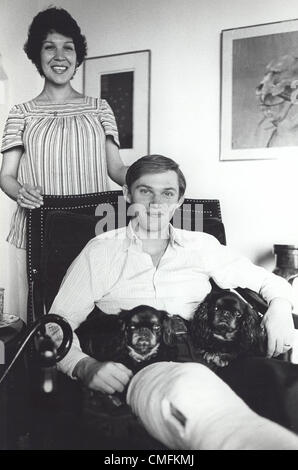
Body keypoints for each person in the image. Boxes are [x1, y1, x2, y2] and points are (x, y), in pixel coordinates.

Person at [48, 154, 298, 448]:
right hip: (143, 366)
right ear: (127, 195)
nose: (156, 204)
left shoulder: (202, 245)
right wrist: (84, 366)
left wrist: (279, 307)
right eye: (145, 191)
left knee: (283, 382)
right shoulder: (100, 252)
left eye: (167, 193)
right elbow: (54, 327)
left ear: (179, 200)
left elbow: (271, 283)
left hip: (213, 359)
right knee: (194, 399)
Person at [0, 7, 126, 320]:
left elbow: (116, 170)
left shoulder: (100, 108)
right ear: (37, 55)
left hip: (96, 223)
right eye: (49, 46)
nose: (59, 56)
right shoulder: (21, 112)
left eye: (67, 47)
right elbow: (7, 176)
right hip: (40, 225)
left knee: (96, 314)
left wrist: (152, 177)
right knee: (44, 316)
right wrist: (20, 192)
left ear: (77, 55)